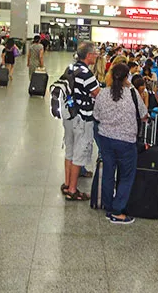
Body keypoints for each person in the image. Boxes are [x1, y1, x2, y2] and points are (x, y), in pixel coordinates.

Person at [93, 63, 148, 224]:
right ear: (126, 78)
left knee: (109, 173)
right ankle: (117, 211)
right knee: (126, 176)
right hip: (126, 142)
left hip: (105, 139)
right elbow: (143, 114)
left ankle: (108, 206)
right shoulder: (132, 94)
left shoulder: (103, 93)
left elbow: (96, 115)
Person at [62, 41, 100, 201]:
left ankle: (66, 183)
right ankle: (72, 190)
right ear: (89, 55)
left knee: (69, 151)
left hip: (69, 114)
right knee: (79, 153)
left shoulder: (70, 67)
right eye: (95, 53)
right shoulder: (87, 74)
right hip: (82, 117)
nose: (97, 55)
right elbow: (97, 93)